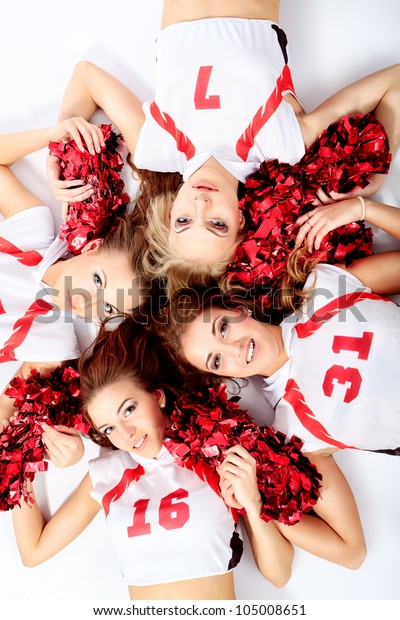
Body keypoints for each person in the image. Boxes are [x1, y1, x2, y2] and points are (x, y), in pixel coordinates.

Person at [46, 1, 400, 298]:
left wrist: (59, 146)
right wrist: (378, 169)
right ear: (241, 221)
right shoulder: (282, 143)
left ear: (169, 215)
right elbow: (393, 83)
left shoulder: (155, 148)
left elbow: (87, 75)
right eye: (217, 224)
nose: (200, 205)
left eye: (184, 221)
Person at [11, 318, 298, 600]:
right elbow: (34, 551)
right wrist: (20, 450)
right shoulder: (108, 474)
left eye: (129, 410)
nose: (126, 434)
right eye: (109, 429)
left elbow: (280, 574)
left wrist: (253, 502)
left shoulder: (215, 455)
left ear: (157, 396)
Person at [162, 247, 400, 455]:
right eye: (216, 360)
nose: (233, 348)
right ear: (222, 377)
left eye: (223, 328)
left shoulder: (325, 290)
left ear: (236, 308)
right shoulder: (294, 430)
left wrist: (363, 208)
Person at [0, 120, 146, 448]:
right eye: (97, 280)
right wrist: (43, 135)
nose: (85, 300)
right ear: (93, 248)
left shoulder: (54, 348)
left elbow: (3, 413)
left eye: (107, 306)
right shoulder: (33, 229)